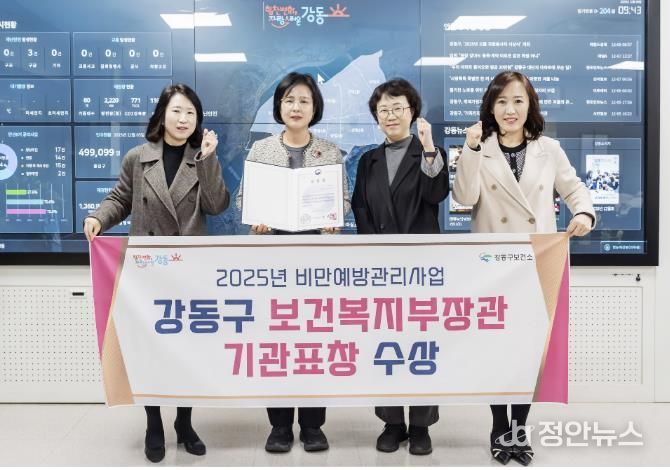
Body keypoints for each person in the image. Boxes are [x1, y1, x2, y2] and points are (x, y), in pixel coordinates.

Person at [453, 70, 595, 466]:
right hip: (492, 265)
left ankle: (519, 431)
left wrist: (583, 212)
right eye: (501, 101)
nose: (510, 109)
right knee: (497, 351)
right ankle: (500, 429)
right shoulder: (480, 148)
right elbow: (464, 197)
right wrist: (471, 149)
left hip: (536, 262)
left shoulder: (549, 149)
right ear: (490, 108)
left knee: (529, 354)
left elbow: (574, 188)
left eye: (518, 100)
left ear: (530, 104)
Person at [83, 84, 230, 463]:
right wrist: (98, 217)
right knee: (149, 350)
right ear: (162, 114)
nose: (183, 119)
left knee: (186, 351)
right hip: (148, 270)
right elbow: (120, 198)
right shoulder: (138, 157)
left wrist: (209, 159)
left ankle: (184, 422)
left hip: (189, 272)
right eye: (177, 111)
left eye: (191, 113)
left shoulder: (202, 157)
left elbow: (216, 205)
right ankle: (153, 424)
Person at [236, 72, 350, 453]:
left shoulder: (330, 151)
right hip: (273, 260)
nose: (296, 107)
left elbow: (342, 201)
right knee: (278, 343)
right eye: (289, 100)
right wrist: (257, 218)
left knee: (315, 343)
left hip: (317, 262)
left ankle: (313, 425)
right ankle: (280, 426)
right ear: (279, 107)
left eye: (304, 100)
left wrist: (334, 219)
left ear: (314, 107)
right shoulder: (261, 149)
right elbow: (244, 200)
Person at [351, 78, 449, 455]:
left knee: (422, 345)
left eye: (398, 108)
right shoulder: (368, 160)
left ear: (413, 112)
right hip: (381, 269)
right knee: (386, 345)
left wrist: (428, 148)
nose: (390, 116)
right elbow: (361, 207)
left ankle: (420, 425)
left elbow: (436, 194)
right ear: (376, 117)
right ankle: (392, 422)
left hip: (422, 267)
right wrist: (372, 254)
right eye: (383, 110)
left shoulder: (429, 152)